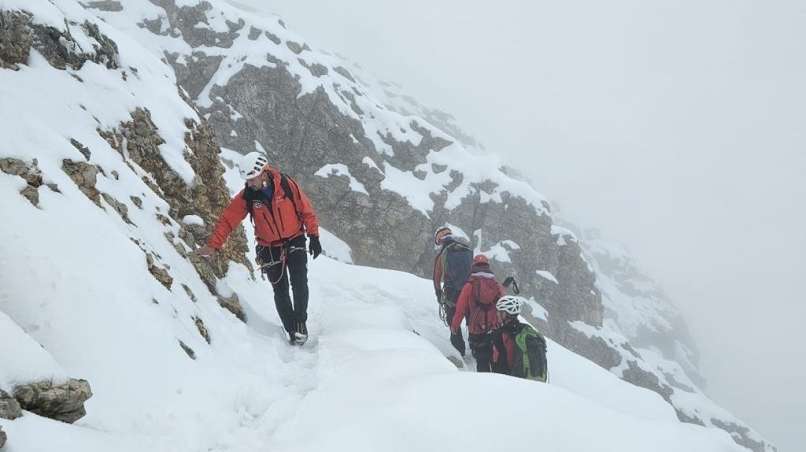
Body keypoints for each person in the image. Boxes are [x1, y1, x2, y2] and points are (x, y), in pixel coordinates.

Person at [198, 152, 322, 345]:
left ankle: (300, 323)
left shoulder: (286, 185)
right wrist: (213, 245)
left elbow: (306, 210)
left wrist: (313, 235)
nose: (249, 184)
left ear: (264, 173)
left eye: (252, 179)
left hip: (295, 239)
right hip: (269, 248)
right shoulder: (248, 196)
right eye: (247, 180)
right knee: (280, 290)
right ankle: (291, 329)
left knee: (299, 282)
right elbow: (228, 220)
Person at [450, 255, 505, 372]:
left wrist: (454, 327)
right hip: (494, 328)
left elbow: (460, 310)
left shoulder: (469, 285)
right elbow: (504, 306)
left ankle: (483, 384)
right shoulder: (496, 285)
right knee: (495, 358)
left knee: (481, 360)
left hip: (476, 329)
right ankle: (498, 383)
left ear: (473, 266)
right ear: (488, 266)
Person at [432, 226, 473, 356]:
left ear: (439, 240)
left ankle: (458, 351)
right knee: (471, 318)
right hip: (470, 291)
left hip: (452, 294)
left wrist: (439, 293)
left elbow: (437, 277)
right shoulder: (466, 249)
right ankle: (477, 346)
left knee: (453, 320)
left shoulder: (442, 254)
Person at [491, 295, 548, 382]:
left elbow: (499, 363)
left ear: (505, 314)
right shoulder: (525, 329)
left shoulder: (501, 334)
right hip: (529, 381)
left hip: (509, 381)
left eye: (499, 312)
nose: (497, 314)